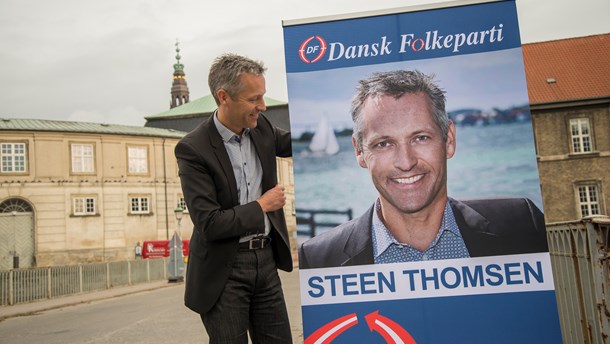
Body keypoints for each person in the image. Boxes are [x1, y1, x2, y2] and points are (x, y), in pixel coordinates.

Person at [298, 70, 548, 269]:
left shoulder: (523, 226)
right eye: (384, 143)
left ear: (448, 140)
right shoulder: (319, 259)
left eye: (420, 138)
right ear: (359, 152)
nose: (406, 162)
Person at [175, 53, 293, 343]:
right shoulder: (193, 149)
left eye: (262, 97)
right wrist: (262, 205)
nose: (262, 107)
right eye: (254, 99)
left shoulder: (261, 127)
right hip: (223, 270)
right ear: (224, 96)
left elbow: (299, 141)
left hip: (265, 260)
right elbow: (210, 223)